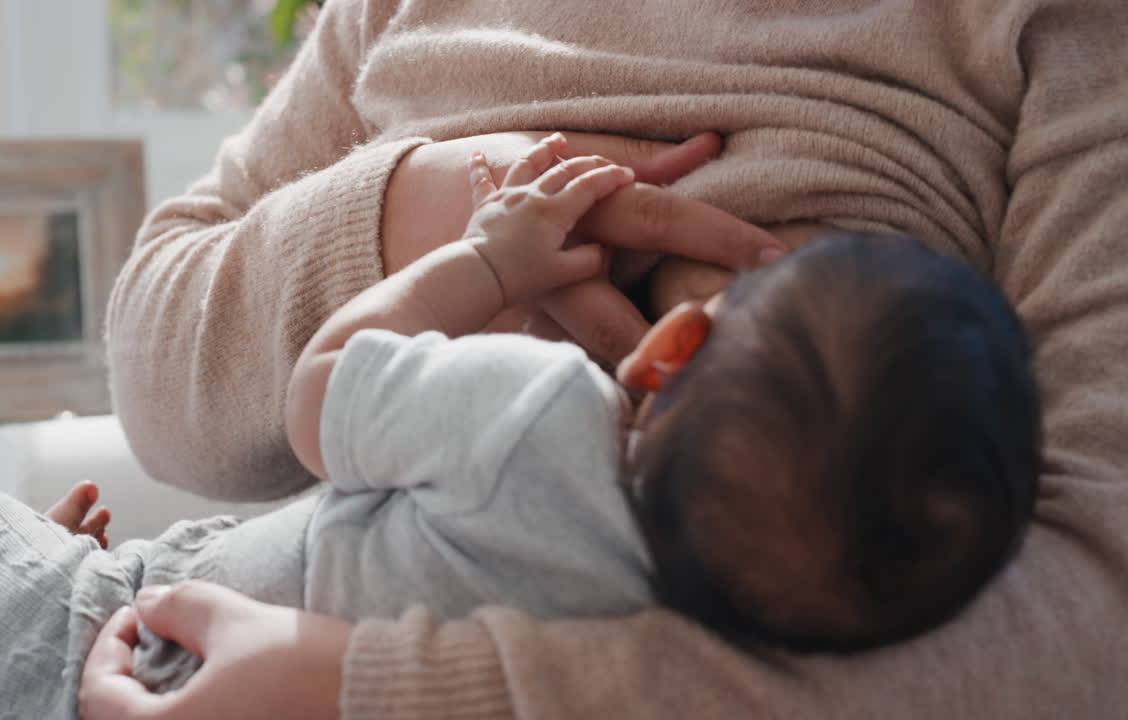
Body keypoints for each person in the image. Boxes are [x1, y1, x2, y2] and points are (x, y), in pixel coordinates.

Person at [77, 0, 1128, 718]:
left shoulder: (1055, 31)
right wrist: (439, 208)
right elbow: (156, 378)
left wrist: (390, 689)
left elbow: (1096, 612)